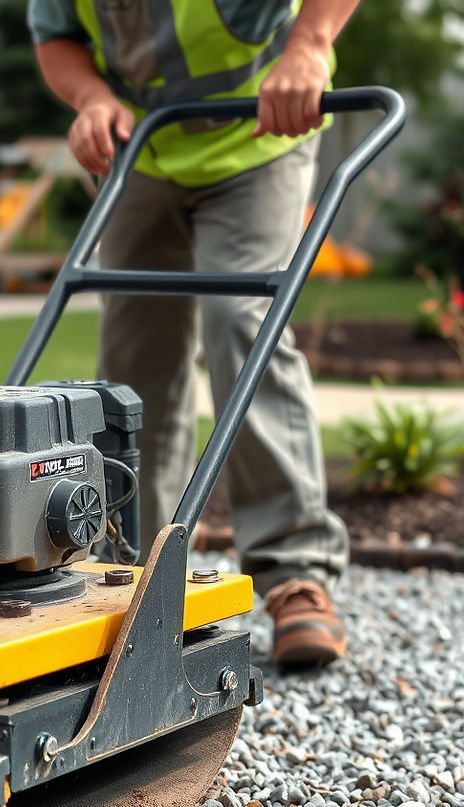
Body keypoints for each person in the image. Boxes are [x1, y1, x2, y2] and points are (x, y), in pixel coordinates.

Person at [28, 0, 360, 666]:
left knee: (243, 322)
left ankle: (296, 573)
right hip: (144, 149)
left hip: (258, 137)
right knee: (132, 359)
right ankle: (134, 577)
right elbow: (56, 34)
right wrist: (91, 97)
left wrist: (309, 46)